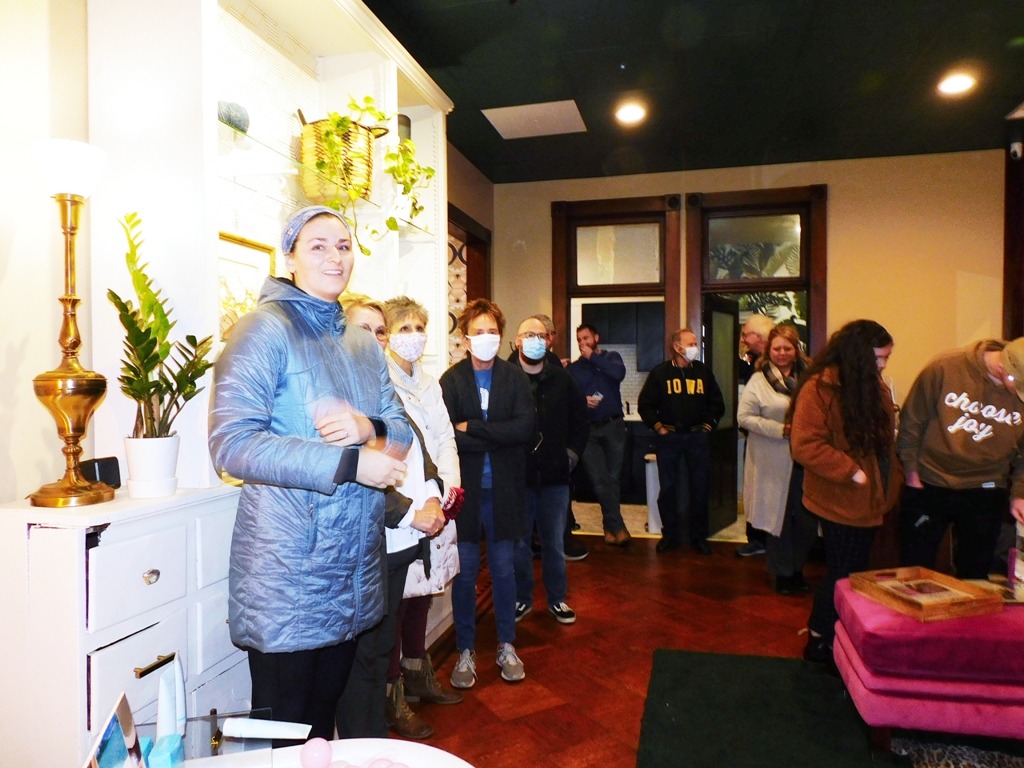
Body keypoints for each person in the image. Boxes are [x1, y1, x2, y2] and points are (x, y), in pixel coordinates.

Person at [208, 206, 411, 741]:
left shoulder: (362, 343)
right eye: (317, 245)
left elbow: (401, 433)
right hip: (288, 576)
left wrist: (367, 426)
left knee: (321, 730)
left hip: (351, 572)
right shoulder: (261, 331)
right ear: (290, 256)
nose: (334, 257)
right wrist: (350, 462)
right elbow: (232, 445)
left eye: (343, 246)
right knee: (284, 735)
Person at [334, 295, 451, 741]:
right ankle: (362, 743)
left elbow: (421, 453)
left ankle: (375, 736)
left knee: (383, 646)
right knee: (363, 657)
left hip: (401, 546)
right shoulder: (338, 396)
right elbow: (355, 472)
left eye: (379, 331)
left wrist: (434, 496)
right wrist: (410, 514)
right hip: (373, 543)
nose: (373, 339)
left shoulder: (385, 395)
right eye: (361, 329)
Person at [789, 320, 902, 663]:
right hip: (840, 498)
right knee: (844, 573)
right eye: (879, 358)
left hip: (870, 498)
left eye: (886, 358)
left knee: (851, 571)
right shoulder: (819, 388)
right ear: (858, 356)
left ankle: (832, 636)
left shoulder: (872, 385)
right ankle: (819, 640)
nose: (883, 365)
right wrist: (852, 471)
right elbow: (805, 445)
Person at [440, 299, 534, 687]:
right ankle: (465, 649)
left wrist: (474, 429)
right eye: (478, 332)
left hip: (504, 490)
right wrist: (496, 435)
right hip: (465, 494)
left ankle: (506, 644)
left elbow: (524, 429)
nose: (486, 338)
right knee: (464, 574)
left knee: (503, 570)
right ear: (465, 339)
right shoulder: (451, 380)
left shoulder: (514, 377)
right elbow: (447, 437)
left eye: (492, 332)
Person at [382, 295, 465, 726]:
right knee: (397, 600)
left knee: (424, 593)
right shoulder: (379, 381)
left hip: (436, 499)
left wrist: (447, 489)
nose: (413, 336)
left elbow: (445, 438)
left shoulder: (429, 382)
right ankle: (391, 692)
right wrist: (422, 500)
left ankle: (417, 671)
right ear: (387, 335)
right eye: (404, 328)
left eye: (419, 328)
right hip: (405, 502)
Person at [897, 338, 1024, 579]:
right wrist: (912, 473)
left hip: (986, 486)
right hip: (930, 480)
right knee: (915, 570)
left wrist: (1019, 493)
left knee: (975, 575)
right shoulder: (945, 368)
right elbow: (912, 422)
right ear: (1003, 369)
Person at [511, 316, 590, 626]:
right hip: (518, 479)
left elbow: (581, 421)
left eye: (540, 335)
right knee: (519, 544)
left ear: (548, 340)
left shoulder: (562, 379)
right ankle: (522, 597)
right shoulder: (506, 377)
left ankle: (557, 599)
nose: (534, 340)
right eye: (528, 334)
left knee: (555, 544)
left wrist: (571, 455)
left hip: (556, 479)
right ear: (517, 340)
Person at [737, 325, 816, 594]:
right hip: (772, 458)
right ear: (768, 351)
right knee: (778, 518)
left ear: (796, 349)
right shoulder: (758, 381)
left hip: (806, 459)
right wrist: (780, 430)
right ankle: (783, 573)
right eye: (776, 348)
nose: (782, 353)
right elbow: (744, 418)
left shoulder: (810, 379)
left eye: (787, 348)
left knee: (806, 518)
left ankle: (798, 569)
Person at [638, 328, 725, 555]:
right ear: (677, 347)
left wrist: (707, 427)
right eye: (691, 343)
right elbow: (645, 405)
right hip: (669, 438)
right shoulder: (660, 373)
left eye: (695, 343)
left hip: (697, 438)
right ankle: (670, 535)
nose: (695, 347)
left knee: (700, 488)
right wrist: (659, 427)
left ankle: (699, 536)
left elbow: (717, 404)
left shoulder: (704, 373)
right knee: (668, 489)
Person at [568, 323, 631, 546]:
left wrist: (593, 357)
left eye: (586, 338)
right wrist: (581, 401)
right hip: (589, 430)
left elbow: (619, 374)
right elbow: (567, 398)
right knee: (599, 480)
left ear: (596, 338)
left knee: (613, 479)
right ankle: (618, 526)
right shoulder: (574, 369)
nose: (582, 343)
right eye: (579, 340)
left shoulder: (611, 358)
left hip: (614, 426)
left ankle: (609, 526)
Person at [736, 313, 775, 557]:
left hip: (774, 439)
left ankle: (767, 540)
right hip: (755, 436)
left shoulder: (774, 367)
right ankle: (757, 538)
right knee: (754, 490)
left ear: (759, 337)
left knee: (769, 491)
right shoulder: (752, 363)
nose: (742, 339)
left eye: (745, 335)